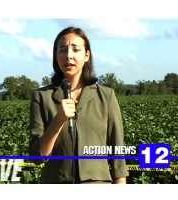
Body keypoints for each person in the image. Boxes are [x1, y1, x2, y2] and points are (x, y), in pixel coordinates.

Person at [29, 26, 129, 184]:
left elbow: (117, 154)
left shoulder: (106, 96)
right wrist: (59, 120)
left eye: (76, 50)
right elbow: (37, 157)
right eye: (62, 50)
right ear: (56, 56)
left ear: (87, 55)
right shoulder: (41, 97)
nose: (68, 56)